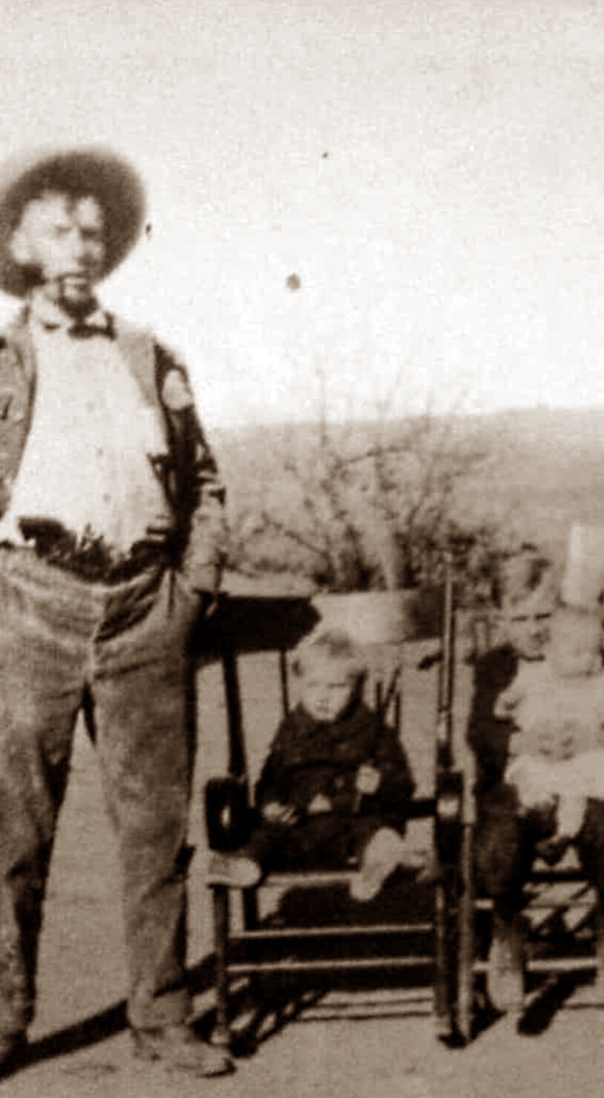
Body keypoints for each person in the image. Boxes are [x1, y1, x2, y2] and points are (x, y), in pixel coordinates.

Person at [0, 147, 230, 1077]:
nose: (80, 247)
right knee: (13, 829)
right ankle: (6, 1022)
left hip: (146, 609)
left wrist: (192, 589)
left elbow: (204, 479)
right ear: (17, 242)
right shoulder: (4, 359)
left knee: (155, 830)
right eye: (59, 227)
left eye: (94, 231)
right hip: (29, 606)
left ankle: (164, 1018)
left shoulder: (150, 355)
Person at [469, 550, 604, 1013]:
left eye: (544, 614)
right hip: (521, 782)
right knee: (500, 835)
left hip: (586, 773)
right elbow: (481, 732)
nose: (534, 628)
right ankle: (506, 929)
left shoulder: (586, 653)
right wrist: (524, 742)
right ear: (501, 619)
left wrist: (594, 733)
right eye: (519, 617)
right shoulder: (495, 668)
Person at [208, 627, 422, 901]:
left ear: (357, 687)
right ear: (300, 683)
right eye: (313, 685)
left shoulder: (372, 730)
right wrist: (270, 806)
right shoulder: (292, 729)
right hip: (300, 825)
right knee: (266, 837)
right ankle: (247, 864)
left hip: (352, 821)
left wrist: (380, 783)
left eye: (336, 687)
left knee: (373, 830)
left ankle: (378, 860)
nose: (323, 696)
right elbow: (272, 778)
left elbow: (402, 786)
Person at [497, 603, 604, 863]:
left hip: (583, 758)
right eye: (578, 653)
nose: (591, 659)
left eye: (594, 652)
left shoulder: (603, 680)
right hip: (542, 752)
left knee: (577, 791)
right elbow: (508, 702)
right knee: (528, 772)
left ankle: (564, 834)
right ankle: (534, 804)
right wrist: (507, 704)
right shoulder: (537, 674)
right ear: (551, 652)